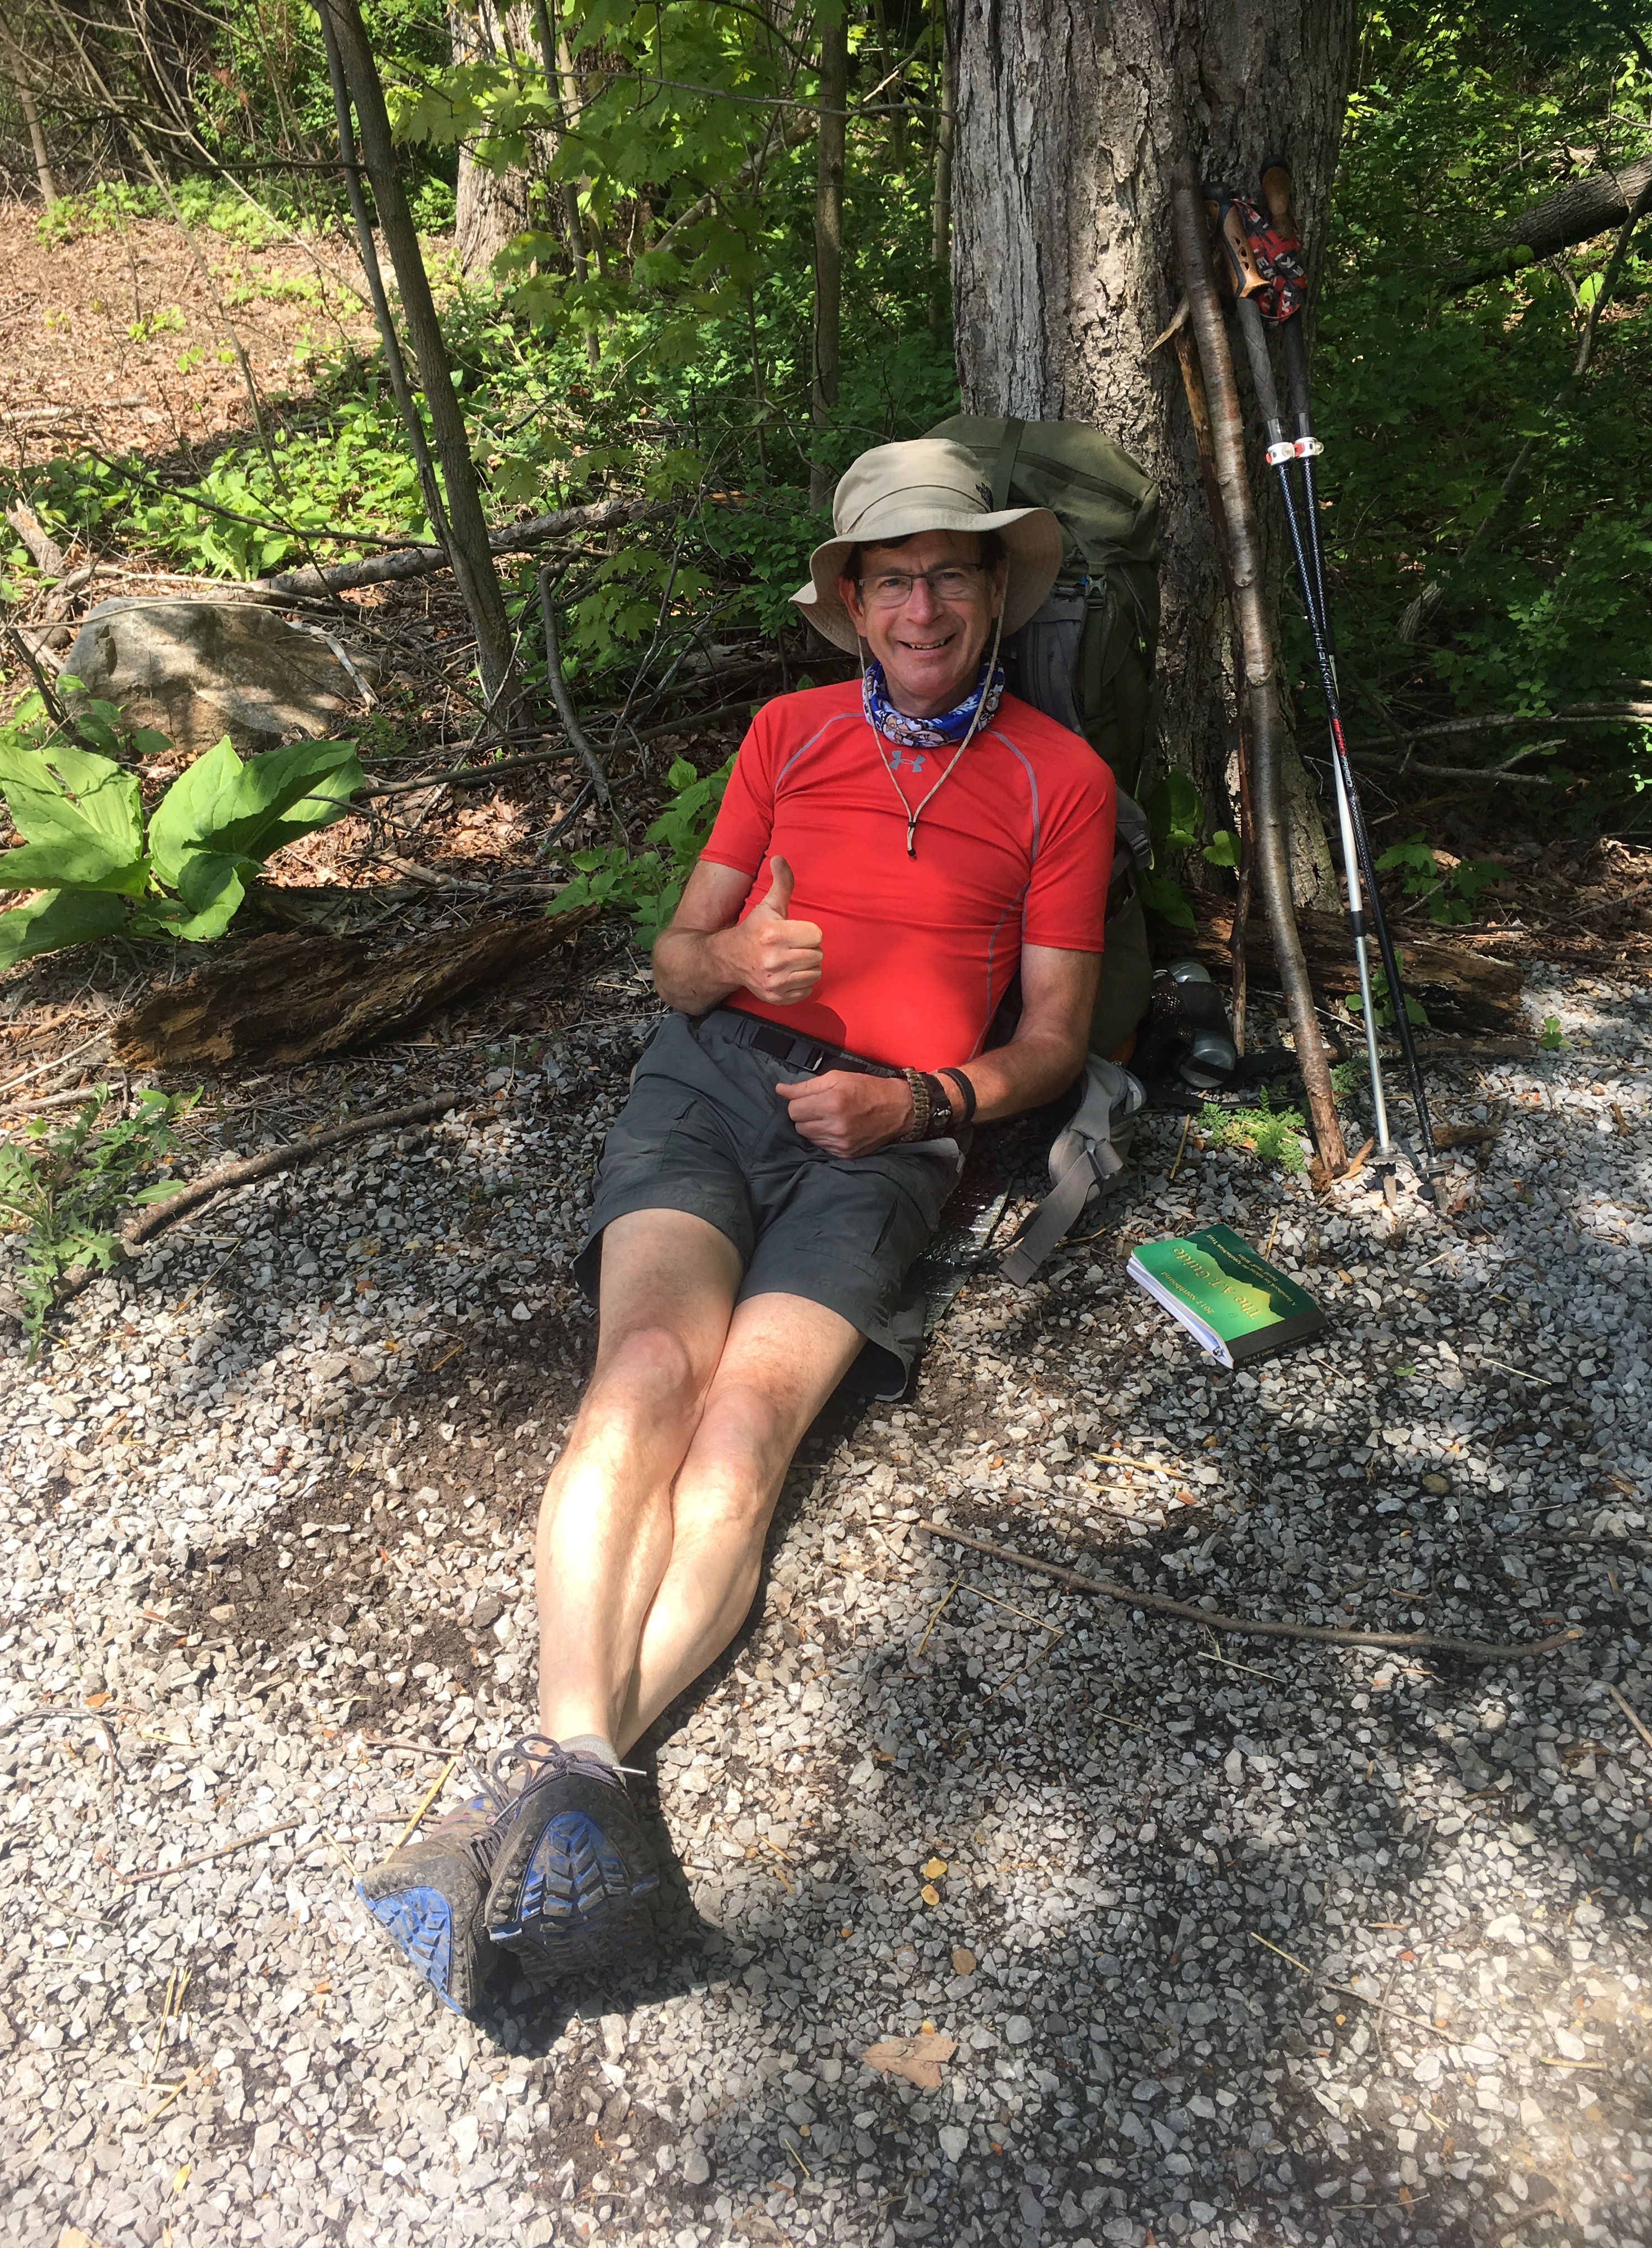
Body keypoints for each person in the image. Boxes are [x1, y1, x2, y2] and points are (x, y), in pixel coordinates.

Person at [357, 438, 1118, 2012]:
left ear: (995, 592)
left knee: (742, 1433)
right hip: (710, 1088)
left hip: (884, 1140)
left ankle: (523, 1821)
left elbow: (1052, 1041)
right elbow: (672, 959)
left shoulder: (1063, 778)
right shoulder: (786, 733)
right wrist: (732, 963)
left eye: (950, 574)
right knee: (643, 1373)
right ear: (852, 601)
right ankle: (582, 1780)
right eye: (891, 579)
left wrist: (922, 1104)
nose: (922, 607)